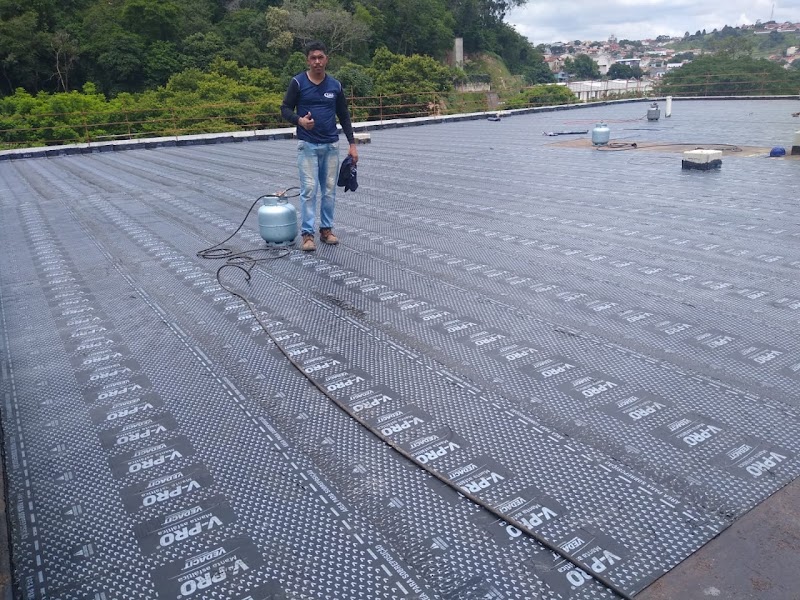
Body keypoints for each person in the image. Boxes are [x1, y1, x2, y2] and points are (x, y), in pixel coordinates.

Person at [280, 41, 358, 252]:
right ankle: (307, 234)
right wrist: (300, 121)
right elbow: (285, 109)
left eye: (320, 57)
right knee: (309, 190)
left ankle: (326, 230)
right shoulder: (298, 83)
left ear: (326, 59)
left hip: (331, 145)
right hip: (307, 146)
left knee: (329, 190)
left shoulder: (335, 86)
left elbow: (344, 115)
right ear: (308, 60)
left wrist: (352, 144)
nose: (317, 62)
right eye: (313, 58)